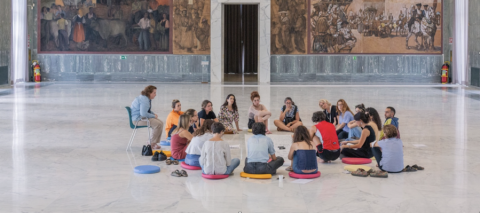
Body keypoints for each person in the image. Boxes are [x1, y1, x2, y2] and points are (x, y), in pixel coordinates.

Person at [130, 85, 164, 149]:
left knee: (161, 123)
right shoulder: (144, 100)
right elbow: (143, 113)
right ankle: (151, 143)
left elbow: (146, 110)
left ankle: (153, 142)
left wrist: (153, 114)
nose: (155, 95)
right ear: (149, 93)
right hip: (137, 120)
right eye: (154, 93)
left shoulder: (145, 98)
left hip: (140, 117)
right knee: (158, 124)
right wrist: (153, 116)